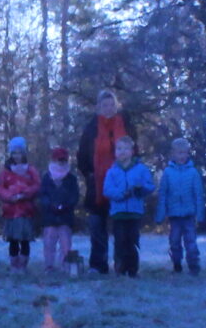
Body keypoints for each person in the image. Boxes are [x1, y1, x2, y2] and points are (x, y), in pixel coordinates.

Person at [76, 89, 133, 274]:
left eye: (111, 104)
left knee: (121, 228)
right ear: (98, 107)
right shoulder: (91, 127)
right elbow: (82, 153)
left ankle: (121, 265)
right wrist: (89, 174)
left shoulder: (125, 124)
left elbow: (135, 150)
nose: (108, 108)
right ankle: (98, 264)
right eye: (104, 105)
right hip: (97, 183)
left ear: (116, 106)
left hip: (122, 182)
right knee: (97, 226)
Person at [101, 134, 155, 278]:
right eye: (119, 149)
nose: (122, 152)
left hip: (134, 212)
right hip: (118, 212)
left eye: (125, 149)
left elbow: (150, 186)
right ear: (115, 152)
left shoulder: (141, 169)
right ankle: (120, 268)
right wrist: (120, 194)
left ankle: (133, 270)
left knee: (132, 241)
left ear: (132, 151)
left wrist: (140, 189)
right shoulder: (112, 171)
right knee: (119, 241)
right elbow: (107, 190)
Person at [156, 137, 206, 274]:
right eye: (179, 153)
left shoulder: (193, 172)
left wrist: (200, 215)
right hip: (174, 215)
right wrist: (160, 215)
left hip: (189, 214)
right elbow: (163, 194)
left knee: (191, 242)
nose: (182, 156)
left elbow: (198, 195)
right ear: (173, 154)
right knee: (174, 241)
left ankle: (194, 265)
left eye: (185, 153)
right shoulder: (167, 172)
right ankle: (177, 264)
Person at [37, 145, 80, 275]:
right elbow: (42, 195)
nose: (61, 162)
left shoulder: (71, 178)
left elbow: (75, 196)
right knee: (49, 243)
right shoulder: (46, 177)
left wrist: (65, 206)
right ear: (53, 160)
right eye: (58, 159)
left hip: (66, 216)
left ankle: (65, 266)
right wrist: (51, 206)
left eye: (63, 160)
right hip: (49, 216)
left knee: (66, 244)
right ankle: (49, 267)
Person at [0, 140, 40, 272]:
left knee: (25, 239)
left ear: (24, 154)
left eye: (19, 153)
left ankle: (23, 265)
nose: (17, 156)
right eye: (14, 153)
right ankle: (14, 265)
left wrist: (24, 194)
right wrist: (10, 196)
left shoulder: (31, 170)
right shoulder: (5, 171)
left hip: (26, 210)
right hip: (11, 211)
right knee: (13, 240)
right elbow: (0, 188)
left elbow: (37, 185)